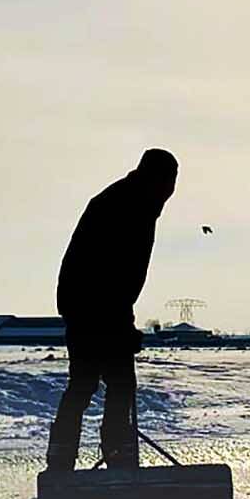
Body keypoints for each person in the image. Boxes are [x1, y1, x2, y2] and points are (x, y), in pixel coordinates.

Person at [45, 148, 178, 472]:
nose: (170, 191)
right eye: (169, 183)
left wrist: (122, 318)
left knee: (102, 383)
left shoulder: (138, 201)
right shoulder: (126, 204)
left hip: (99, 305)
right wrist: (120, 323)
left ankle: (105, 456)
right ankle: (99, 459)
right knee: (99, 383)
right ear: (157, 179)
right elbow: (107, 269)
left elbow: (122, 274)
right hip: (91, 306)